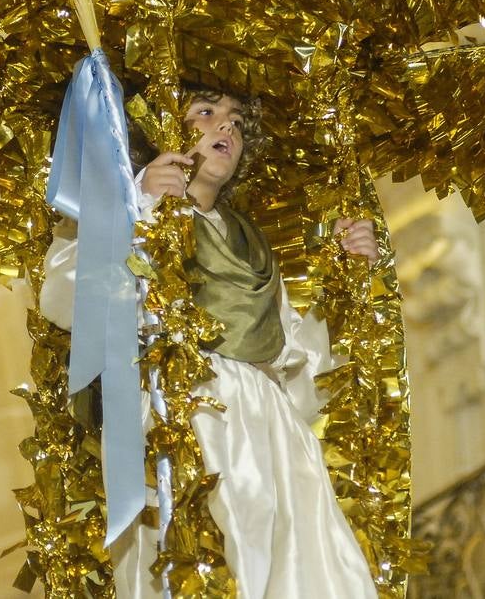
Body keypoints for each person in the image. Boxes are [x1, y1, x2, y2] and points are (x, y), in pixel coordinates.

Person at [40, 89, 380, 598]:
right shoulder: (121, 211)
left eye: (238, 123)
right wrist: (141, 201)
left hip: (271, 432)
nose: (227, 129)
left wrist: (345, 285)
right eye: (206, 113)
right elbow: (67, 299)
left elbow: (299, 376)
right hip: (184, 413)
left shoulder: (250, 241)